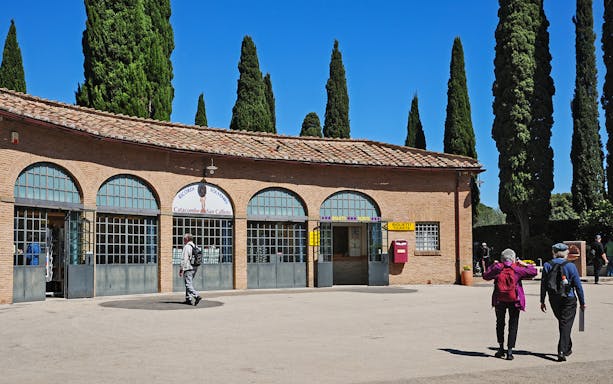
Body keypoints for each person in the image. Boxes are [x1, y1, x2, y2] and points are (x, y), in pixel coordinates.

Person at [483, 248, 537, 360]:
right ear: (513, 258)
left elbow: (485, 276)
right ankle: (510, 352)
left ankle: (501, 348)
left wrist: (493, 265)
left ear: (502, 258)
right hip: (515, 301)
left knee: (500, 323)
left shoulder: (497, 268)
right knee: (513, 325)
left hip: (499, 300)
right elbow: (534, 272)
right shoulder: (517, 269)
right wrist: (525, 264)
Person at [540, 243, 586, 362]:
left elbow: (543, 285)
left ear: (554, 252)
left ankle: (567, 347)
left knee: (563, 322)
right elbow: (578, 285)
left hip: (554, 298)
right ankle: (561, 351)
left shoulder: (547, 265)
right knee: (565, 323)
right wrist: (582, 301)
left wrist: (542, 300)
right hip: (569, 298)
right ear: (566, 253)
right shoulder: (571, 266)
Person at [179, 233, 202, 306]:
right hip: (195, 268)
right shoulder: (195, 246)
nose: (183, 240)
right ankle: (188, 299)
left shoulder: (187, 247)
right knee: (189, 283)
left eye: (184, 239)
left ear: (186, 239)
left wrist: (181, 269)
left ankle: (196, 296)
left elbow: (184, 259)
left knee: (188, 284)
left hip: (188, 268)